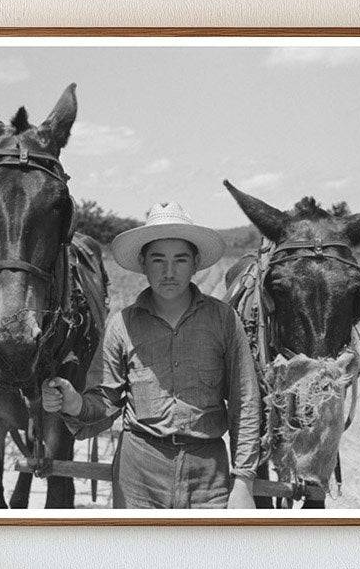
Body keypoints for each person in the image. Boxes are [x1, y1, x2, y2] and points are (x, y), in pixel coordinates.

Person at [42, 201, 261, 509]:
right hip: (138, 475)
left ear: (196, 263)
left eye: (180, 260)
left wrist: (243, 482)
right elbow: (104, 400)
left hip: (207, 476)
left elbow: (245, 402)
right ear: (143, 263)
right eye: (158, 260)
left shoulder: (223, 320)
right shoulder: (122, 325)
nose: (169, 272)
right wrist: (74, 402)